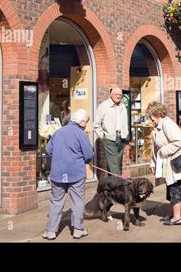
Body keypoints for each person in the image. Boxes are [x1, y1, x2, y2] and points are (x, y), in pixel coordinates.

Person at [43, 109, 94, 240]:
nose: (86, 125)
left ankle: (51, 231)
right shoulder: (81, 134)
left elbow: (48, 150)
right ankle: (78, 229)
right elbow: (89, 155)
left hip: (58, 173)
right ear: (81, 121)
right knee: (77, 201)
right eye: (86, 122)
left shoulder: (58, 132)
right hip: (76, 173)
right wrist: (87, 160)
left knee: (56, 201)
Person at [147, 102, 181, 226]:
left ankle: (177, 218)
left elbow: (177, 142)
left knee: (175, 189)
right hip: (170, 163)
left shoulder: (167, 124)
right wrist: (153, 163)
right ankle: (173, 215)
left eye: (150, 116)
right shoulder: (159, 126)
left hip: (176, 163)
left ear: (156, 113)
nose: (150, 119)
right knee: (171, 188)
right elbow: (155, 148)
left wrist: (163, 151)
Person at [94, 87, 129, 176]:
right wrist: (103, 136)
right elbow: (96, 124)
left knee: (116, 161)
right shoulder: (104, 106)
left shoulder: (122, 106)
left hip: (122, 137)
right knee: (113, 161)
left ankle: (110, 183)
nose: (118, 96)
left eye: (120, 95)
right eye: (116, 94)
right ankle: (119, 183)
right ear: (111, 95)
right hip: (109, 137)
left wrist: (126, 133)